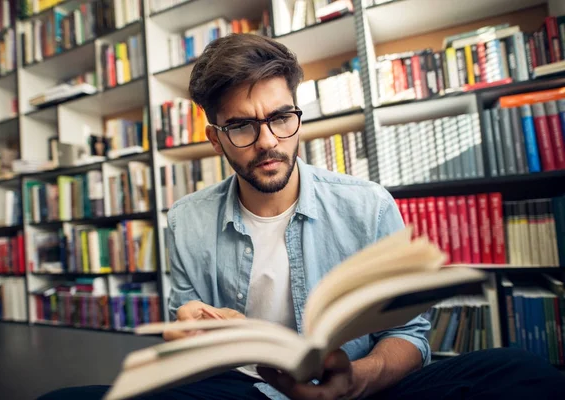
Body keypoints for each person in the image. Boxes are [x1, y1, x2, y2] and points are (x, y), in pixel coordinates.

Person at [39, 34, 565, 400]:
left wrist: (358, 381)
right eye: (241, 126)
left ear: (297, 114)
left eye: (280, 118)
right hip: (240, 390)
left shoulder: (368, 204)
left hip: (361, 388)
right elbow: (187, 328)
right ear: (214, 137)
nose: (267, 141)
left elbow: (411, 333)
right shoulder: (185, 220)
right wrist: (185, 336)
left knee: (521, 373)